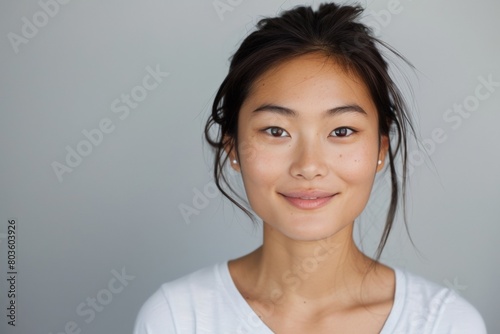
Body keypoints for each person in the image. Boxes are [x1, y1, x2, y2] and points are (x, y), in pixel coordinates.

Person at [133, 3, 486, 333]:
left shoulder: (445, 324)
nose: (309, 166)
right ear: (233, 148)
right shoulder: (178, 318)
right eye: (276, 131)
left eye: (342, 131)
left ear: (381, 149)